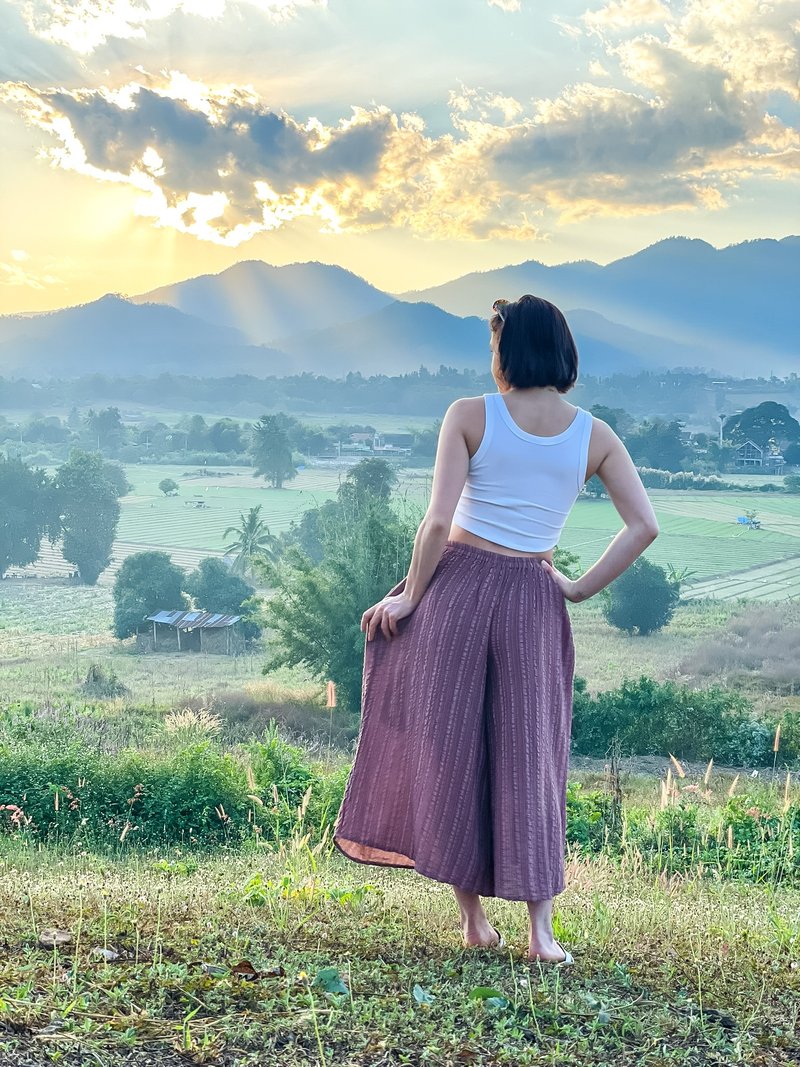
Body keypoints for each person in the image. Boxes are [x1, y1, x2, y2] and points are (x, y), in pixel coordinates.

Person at [333, 294, 659, 965]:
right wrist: (573, 585)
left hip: (455, 588)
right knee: (531, 755)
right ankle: (541, 934)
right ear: (562, 349)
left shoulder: (470, 414)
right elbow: (643, 526)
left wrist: (407, 597)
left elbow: (434, 523)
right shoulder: (593, 433)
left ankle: (474, 920)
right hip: (533, 601)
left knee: (452, 746)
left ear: (506, 348)